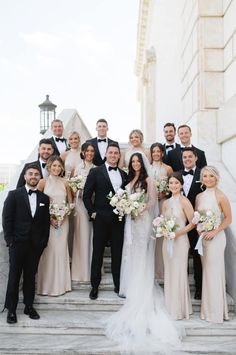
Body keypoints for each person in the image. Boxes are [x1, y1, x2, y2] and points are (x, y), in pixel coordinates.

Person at [106, 153, 181, 352]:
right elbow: (124, 197)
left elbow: (153, 201)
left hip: (143, 219)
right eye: (133, 162)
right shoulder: (129, 179)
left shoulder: (147, 179)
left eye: (138, 161)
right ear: (131, 164)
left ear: (142, 163)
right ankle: (130, 284)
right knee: (129, 251)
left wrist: (139, 208)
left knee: (140, 251)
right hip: (131, 220)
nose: (136, 163)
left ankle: (140, 284)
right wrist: (126, 206)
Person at [2, 164, 50, 324]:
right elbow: (7, 219)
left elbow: (45, 223)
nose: (34, 176)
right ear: (25, 176)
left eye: (37, 174)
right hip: (17, 244)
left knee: (30, 277)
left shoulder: (44, 198)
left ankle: (29, 306)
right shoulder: (14, 195)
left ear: (39, 177)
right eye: (31, 174)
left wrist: (43, 242)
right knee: (14, 277)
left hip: (35, 245)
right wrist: (10, 241)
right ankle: (11, 310)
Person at [83, 143, 128, 300]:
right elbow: (86, 195)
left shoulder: (124, 174)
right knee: (97, 253)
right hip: (100, 219)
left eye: (116, 153)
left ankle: (118, 284)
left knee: (118, 253)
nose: (114, 155)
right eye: (111, 152)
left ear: (119, 156)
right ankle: (94, 286)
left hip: (119, 220)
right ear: (106, 154)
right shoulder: (95, 171)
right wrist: (93, 213)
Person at [195, 166, 232, 323]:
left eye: (211, 176)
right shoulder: (199, 197)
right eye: (205, 176)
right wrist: (200, 231)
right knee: (207, 273)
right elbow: (197, 217)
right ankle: (207, 311)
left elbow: (228, 219)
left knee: (214, 273)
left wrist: (214, 231)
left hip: (216, 239)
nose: (208, 179)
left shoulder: (221, 196)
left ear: (216, 178)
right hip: (203, 238)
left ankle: (216, 313)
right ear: (202, 179)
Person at [37, 156, 72, 296]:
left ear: (62, 167)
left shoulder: (65, 182)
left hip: (63, 222)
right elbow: (38, 203)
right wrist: (49, 218)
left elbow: (70, 202)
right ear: (49, 167)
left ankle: (61, 286)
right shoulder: (42, 182)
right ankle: (46, 286)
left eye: (59, 166)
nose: (56, 168)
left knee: (61, 251)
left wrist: (63, 216)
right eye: (54, 166)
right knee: (49, 251)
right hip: (47, 222)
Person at [162, 172, 195, 320]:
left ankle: (180, 309)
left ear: (181, 184)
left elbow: (193, 223)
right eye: (171, 183)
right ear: (168, 185)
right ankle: (170, 306)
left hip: (180, 241)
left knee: (179, 272)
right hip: (167, 242)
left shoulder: (185, 201)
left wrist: (178, 233)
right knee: (169, 272)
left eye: (176, 183)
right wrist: (163, 230)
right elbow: (162, 221)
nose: (173, 185)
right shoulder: (165, 203)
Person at [180, 147, 203, 299]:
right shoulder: (178, 175)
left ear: (196, 158)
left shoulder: (203, 174)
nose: (187, 159)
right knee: (181, 255)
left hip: (197, 222)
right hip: (181, 223)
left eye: (190, 156)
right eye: (184, 157)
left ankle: (199, 288)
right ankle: (182, 288)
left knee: (196, 256)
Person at [71, 142, 96, 282]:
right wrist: (78, 191)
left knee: (92, 236)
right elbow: (72, 186)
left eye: (92, 151)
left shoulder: (97, 169)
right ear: (83, 152)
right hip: (80, 205)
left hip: (92, 205)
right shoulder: (77, 168)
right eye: (87, 151)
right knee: (81, 236)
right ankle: (81, 271)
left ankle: (91, 269)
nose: (90, 153)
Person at [150, 142, 173, 280]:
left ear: (162, 153)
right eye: (154, 151)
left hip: (163, 204)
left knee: (162, 233)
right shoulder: (147, 168)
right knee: (151, 233)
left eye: (158, 151)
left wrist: (164, 194)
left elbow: (174, 185)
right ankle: (151, 268)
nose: (156, 153)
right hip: (150, 204)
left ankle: (161, 269)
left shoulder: (168, 168)